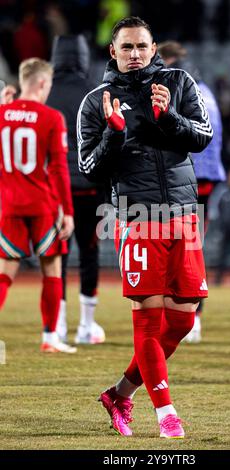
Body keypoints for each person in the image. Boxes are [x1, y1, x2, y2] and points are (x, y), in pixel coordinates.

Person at [77, 17, 213, 438]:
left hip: (185, 213)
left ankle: (119, 394)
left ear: (153, 49)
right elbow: (89, 168)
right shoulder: (96, 101)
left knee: (185, 320)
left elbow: (202, 136)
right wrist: (114, 134)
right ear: (112, 52)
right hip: (136, 216)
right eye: (126, 47)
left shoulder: (179, 82)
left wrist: (169, 116)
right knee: (149, 321)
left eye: (141, 46)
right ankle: (166, 413)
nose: (134, 54)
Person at [0, 58, 76, 354]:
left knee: (5, 273)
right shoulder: (52, 117)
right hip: (43, 205)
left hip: (9, 205)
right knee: (52, 271)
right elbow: (58, 168)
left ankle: (51, 336)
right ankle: (50, 337)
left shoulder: (2, 115)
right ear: (43, 83)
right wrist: (67, 211)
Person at [158, 40, 225, 343]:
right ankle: (191, 317)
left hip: (185, 178)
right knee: (190, 246)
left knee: (178, 247)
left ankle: (187, 316)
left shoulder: (175, 89)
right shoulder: (205, 91)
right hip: (205, 178)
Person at [47, 35, 107, 345]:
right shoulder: (95, 92)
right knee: (90, 254)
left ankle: (57, 325)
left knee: (57, 257)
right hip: (91, 187)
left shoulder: (45, 93)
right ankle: (86, 325)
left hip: (56, 191)